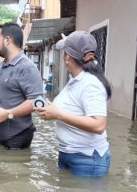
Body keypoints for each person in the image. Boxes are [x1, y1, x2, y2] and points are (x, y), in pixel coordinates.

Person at [34, 31, 112, 177]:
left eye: (65, 52)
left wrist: (58, 114)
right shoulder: (76, 79)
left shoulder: (90, 83)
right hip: (69, 153)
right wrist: (52, 111)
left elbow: (99, 125)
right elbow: (73, 110)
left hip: (87, 158)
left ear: (67, 57)